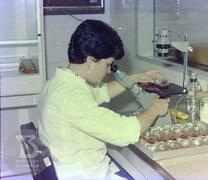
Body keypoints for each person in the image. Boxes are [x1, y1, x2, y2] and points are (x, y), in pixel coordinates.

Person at [38, 19, 170, 180]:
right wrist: (156, 108)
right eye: (108, 64)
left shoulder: (58, 84)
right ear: (90, 61)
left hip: (72, 169)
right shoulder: (71, 97)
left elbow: (99, 93)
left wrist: (135, 78)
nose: (109, 71)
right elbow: (125, 132)